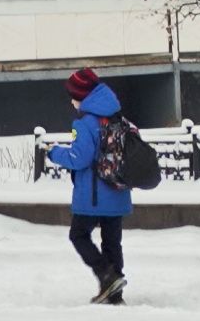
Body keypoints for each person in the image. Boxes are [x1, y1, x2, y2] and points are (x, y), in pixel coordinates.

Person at [45, 67, 132, 305]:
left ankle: (107, 274)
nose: (72, 101)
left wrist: (54, 153)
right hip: (117, 192)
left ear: (82, 96)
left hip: (93, 196)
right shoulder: (119, 118)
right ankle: (115, 294)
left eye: (73, 96)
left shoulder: (84, 124)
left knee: (79, 235)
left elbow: (79, 158)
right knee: (112, 242)